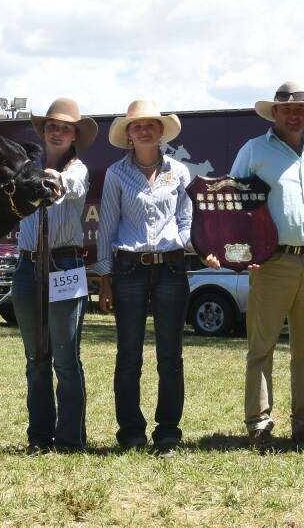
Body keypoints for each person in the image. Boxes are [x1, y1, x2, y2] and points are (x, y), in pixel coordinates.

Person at [205, 81, 304, 447]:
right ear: (275, 113)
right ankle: (259, 424)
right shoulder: (254, 150)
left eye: (301, 110)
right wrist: (238, 252)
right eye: (288, 110)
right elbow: (232, 203)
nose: (295, 115)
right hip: (269, 261)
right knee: (261, 345)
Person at [91, 99, 192, 453]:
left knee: (170, 354)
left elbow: (186, 219)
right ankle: (131, 433)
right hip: (129, 267)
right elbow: (107, 226)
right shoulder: (117, 174)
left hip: (171, 265)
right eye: (137, 126)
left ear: (161, 131)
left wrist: (194, 246)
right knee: (128, 354)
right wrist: (105, 278)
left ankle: (168, 433)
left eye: (150, 124)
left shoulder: (179, 172)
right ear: (128, 135)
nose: (144, 130)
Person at [10, 97, 98, 453]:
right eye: (52, 126)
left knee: (65, 358)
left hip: (65, 265)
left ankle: (70, 439)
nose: (58, 132)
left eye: (65, 128)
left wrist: (53, 179)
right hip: (28, 265)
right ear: (44, 132)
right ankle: (39, 438)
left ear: (74, 135)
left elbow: (70, 185)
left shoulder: (78, 169)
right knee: (35, 358)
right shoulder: (24, 168)